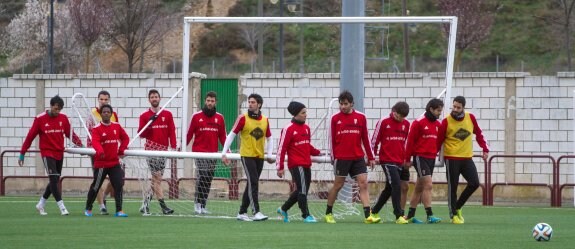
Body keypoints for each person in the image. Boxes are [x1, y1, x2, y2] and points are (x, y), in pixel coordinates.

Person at [19, 95, 82, 216]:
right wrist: (22, 153)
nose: (57, 111)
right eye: (56, 108)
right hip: (47, 153)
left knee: (55, 179)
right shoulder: (40, 119)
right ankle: (62, 207)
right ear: (51, 106)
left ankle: (41, 204)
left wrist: (81, 145)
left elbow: (71, 134)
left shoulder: (63, 118)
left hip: (59, 152)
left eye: (59, 109)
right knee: (54, 179)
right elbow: (30, 136)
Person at [325, 90, 377, 224]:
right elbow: (331, 139)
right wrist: (333, 156)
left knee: (363, 183)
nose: (343, 106)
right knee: (338, 185)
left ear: (352, 104)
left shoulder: (361, 117)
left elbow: (366, 138)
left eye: (345, 104)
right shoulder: (335, 119)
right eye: (341, 104)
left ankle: (368, 216)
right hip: (342, 158)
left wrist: (371, 157)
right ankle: (328, 213)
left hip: (357, 157)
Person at [222, 93, 275, 221]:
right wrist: (224, 152)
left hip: (259, 156)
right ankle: (256, 211)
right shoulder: (243, 118)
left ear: (259, 104)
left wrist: (269, 154)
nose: (250, 104)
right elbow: (231, 135)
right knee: (254, 182)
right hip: (247, 155)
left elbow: (270, 138)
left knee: (251, 183)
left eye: (253, 102)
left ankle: (242, 212)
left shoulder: (265, 120)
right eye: (249, 102)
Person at [437, 96, 489, 224]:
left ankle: (458, 206)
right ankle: (453, 215)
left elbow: (479, 133)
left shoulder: (470, 117)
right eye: (454, 106)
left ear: (463, 108)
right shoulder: (446, 121)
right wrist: (432, 155)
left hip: (466, 158)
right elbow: (438, 141)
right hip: (452, 158)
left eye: (458, 107)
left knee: (474, 183)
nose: (455, 109)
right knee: (452, 187)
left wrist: (485, 148)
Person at [276, 101, 321, 223]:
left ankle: (283, 209)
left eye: (306, 112)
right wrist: (279, 166)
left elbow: (307, 146)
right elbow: (282, 148)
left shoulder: (306, 128)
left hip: (306, 163)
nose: (306, 114)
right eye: (303, 112)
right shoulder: (288, 129)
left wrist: (318, 152)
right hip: (296, 164)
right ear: (296, 114)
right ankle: (306, 215)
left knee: (303, 190)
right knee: (302, 190)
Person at [84, 104, 129, 217]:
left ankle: (119, 210)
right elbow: (95, 142)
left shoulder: (116, 126)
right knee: (96, 186)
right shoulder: (96, 129)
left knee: (118, 184)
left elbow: (125, 138)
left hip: (114, 162)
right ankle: (88, 208)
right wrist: (100, 151)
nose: (106, 114)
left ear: (111, 114)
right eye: (104, 112)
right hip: (101, 163)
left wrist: (122, 149)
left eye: (108, 112)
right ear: (101, 114)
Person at [404, 98, 444, 224]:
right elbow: (410, 142)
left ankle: (410, 216)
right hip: (420, 157)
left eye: (440, 111)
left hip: (431, 158)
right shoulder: (418, 123)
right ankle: (430, 215)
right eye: (438, 110)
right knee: (428, 185)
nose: (439, 113)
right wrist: (407, 159)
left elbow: (438, 142)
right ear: (431, 109)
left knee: (419, 187)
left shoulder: (438, 125)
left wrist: (435, 152)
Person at [186, 91, 227, 214]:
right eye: (208, 100)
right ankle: (197, 204)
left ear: (216, 102)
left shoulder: (219, 117)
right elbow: (188, 134)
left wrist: (226, 153)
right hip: (199, 153)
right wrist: (181, 149)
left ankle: (203, 205)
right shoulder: (196, 116)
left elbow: (223, 137)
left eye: (212, 101)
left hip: (213, 154)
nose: (209, 103)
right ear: (205, 101)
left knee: (208, 179)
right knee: (202, 175)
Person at [369, 101, 410, 224]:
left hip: (400, 161)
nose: (400, 118)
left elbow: (407, 143)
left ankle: (374, 211)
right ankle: (398, 215)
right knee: (396, 185)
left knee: (389, 188)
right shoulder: (384, 122)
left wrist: (406, 158)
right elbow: (374, 141)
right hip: (387, 160)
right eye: (398, 115)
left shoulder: (407, 124)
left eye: (402, 117)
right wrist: (372, 156)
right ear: (393, 111)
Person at [138, 89, 177, 215]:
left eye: (156, 96)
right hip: (151, 151)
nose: (154, 99)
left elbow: (172, 131)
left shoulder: (168, 114)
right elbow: (141, 134)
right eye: (152, 97)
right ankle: (163, 207)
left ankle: (146, 204)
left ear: (160, 98)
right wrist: (150, 123)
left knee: (156, 181)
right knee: (158, 179)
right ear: (149, 100)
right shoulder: (144, 116)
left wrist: (174, 147)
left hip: (163, 152)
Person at [90, 90, 119, 215]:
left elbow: (117, 130)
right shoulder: (92, 113)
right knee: (98, 179)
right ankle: (102, 206)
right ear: (98, 100)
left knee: (116, 180)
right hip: (98, 152)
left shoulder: (113, 114)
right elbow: (90, 132)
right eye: (101, 99)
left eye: (106, 99)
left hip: (112, 151)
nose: (103, 102)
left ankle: (105, 196)